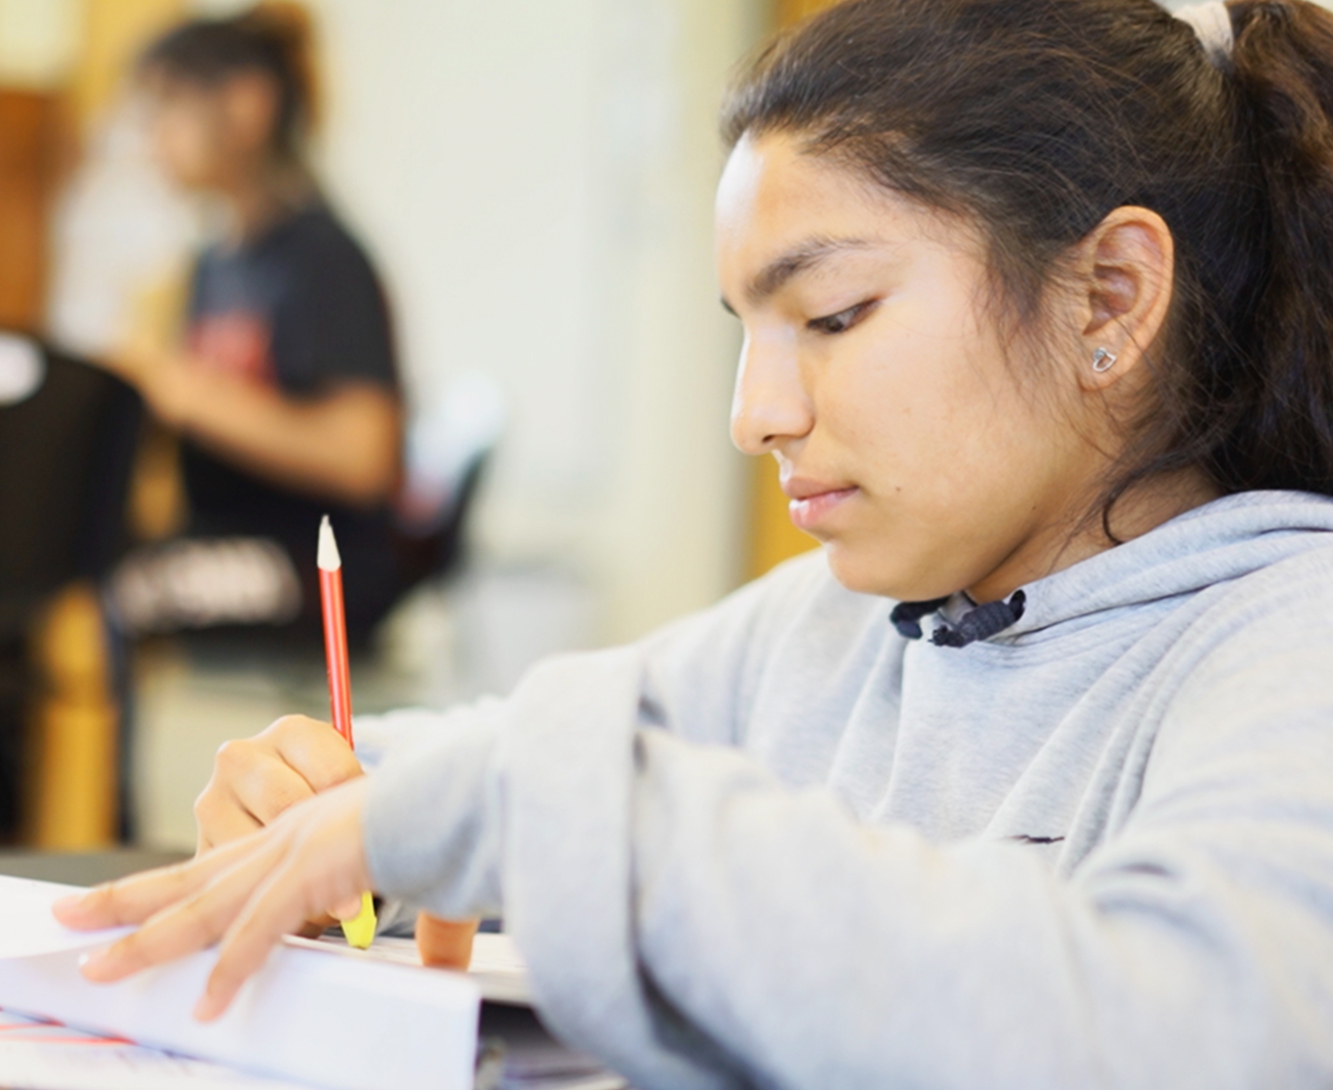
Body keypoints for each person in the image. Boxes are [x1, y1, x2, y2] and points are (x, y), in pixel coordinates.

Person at [54, 0, 1333, 1085]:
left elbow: (1198, 1025)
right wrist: (339, 782)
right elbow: (530, 763)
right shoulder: (821, 634)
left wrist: (546, 808)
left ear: (1106, 297)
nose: (753, 414)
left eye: (831, 314)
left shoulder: (1288, 642)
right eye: (746, 328)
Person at [104, 5, 404, 642]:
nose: (152, 140)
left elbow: (363, 457)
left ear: (245, 106)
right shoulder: (215, 260)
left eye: (167, 110)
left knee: (119, 593)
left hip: (312, 560)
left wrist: (187, 394)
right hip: (226, 539)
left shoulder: (318, 256)